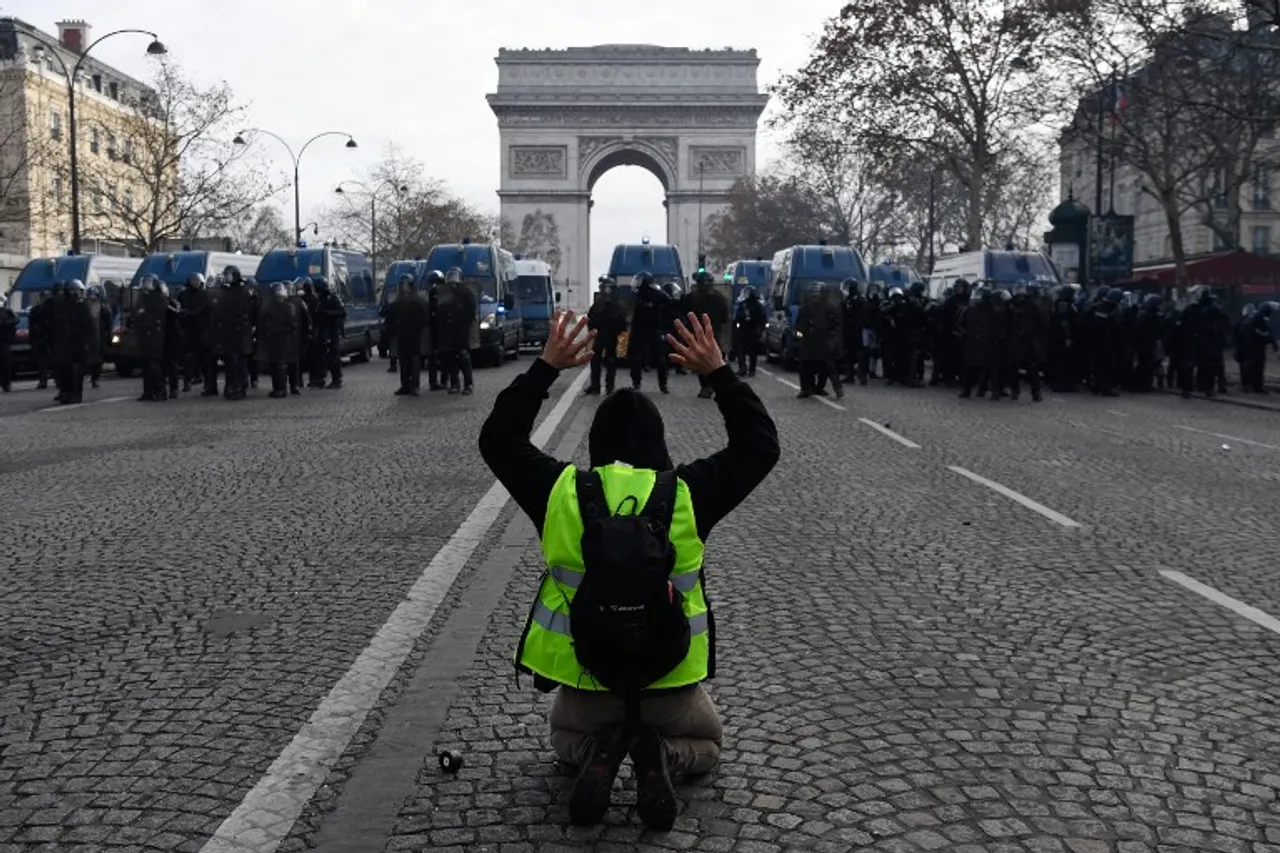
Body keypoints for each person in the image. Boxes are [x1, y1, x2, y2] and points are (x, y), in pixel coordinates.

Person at [478, 309, 780, 831]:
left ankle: (600, 747)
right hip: (669, 681)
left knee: (563, 741)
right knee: (708, 742)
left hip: (588, 680)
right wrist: (719, 373)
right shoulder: (687, 494)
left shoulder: (561, 493)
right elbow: (759, 446)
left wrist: (545, 368)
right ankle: (665, 757)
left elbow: (498, 440)